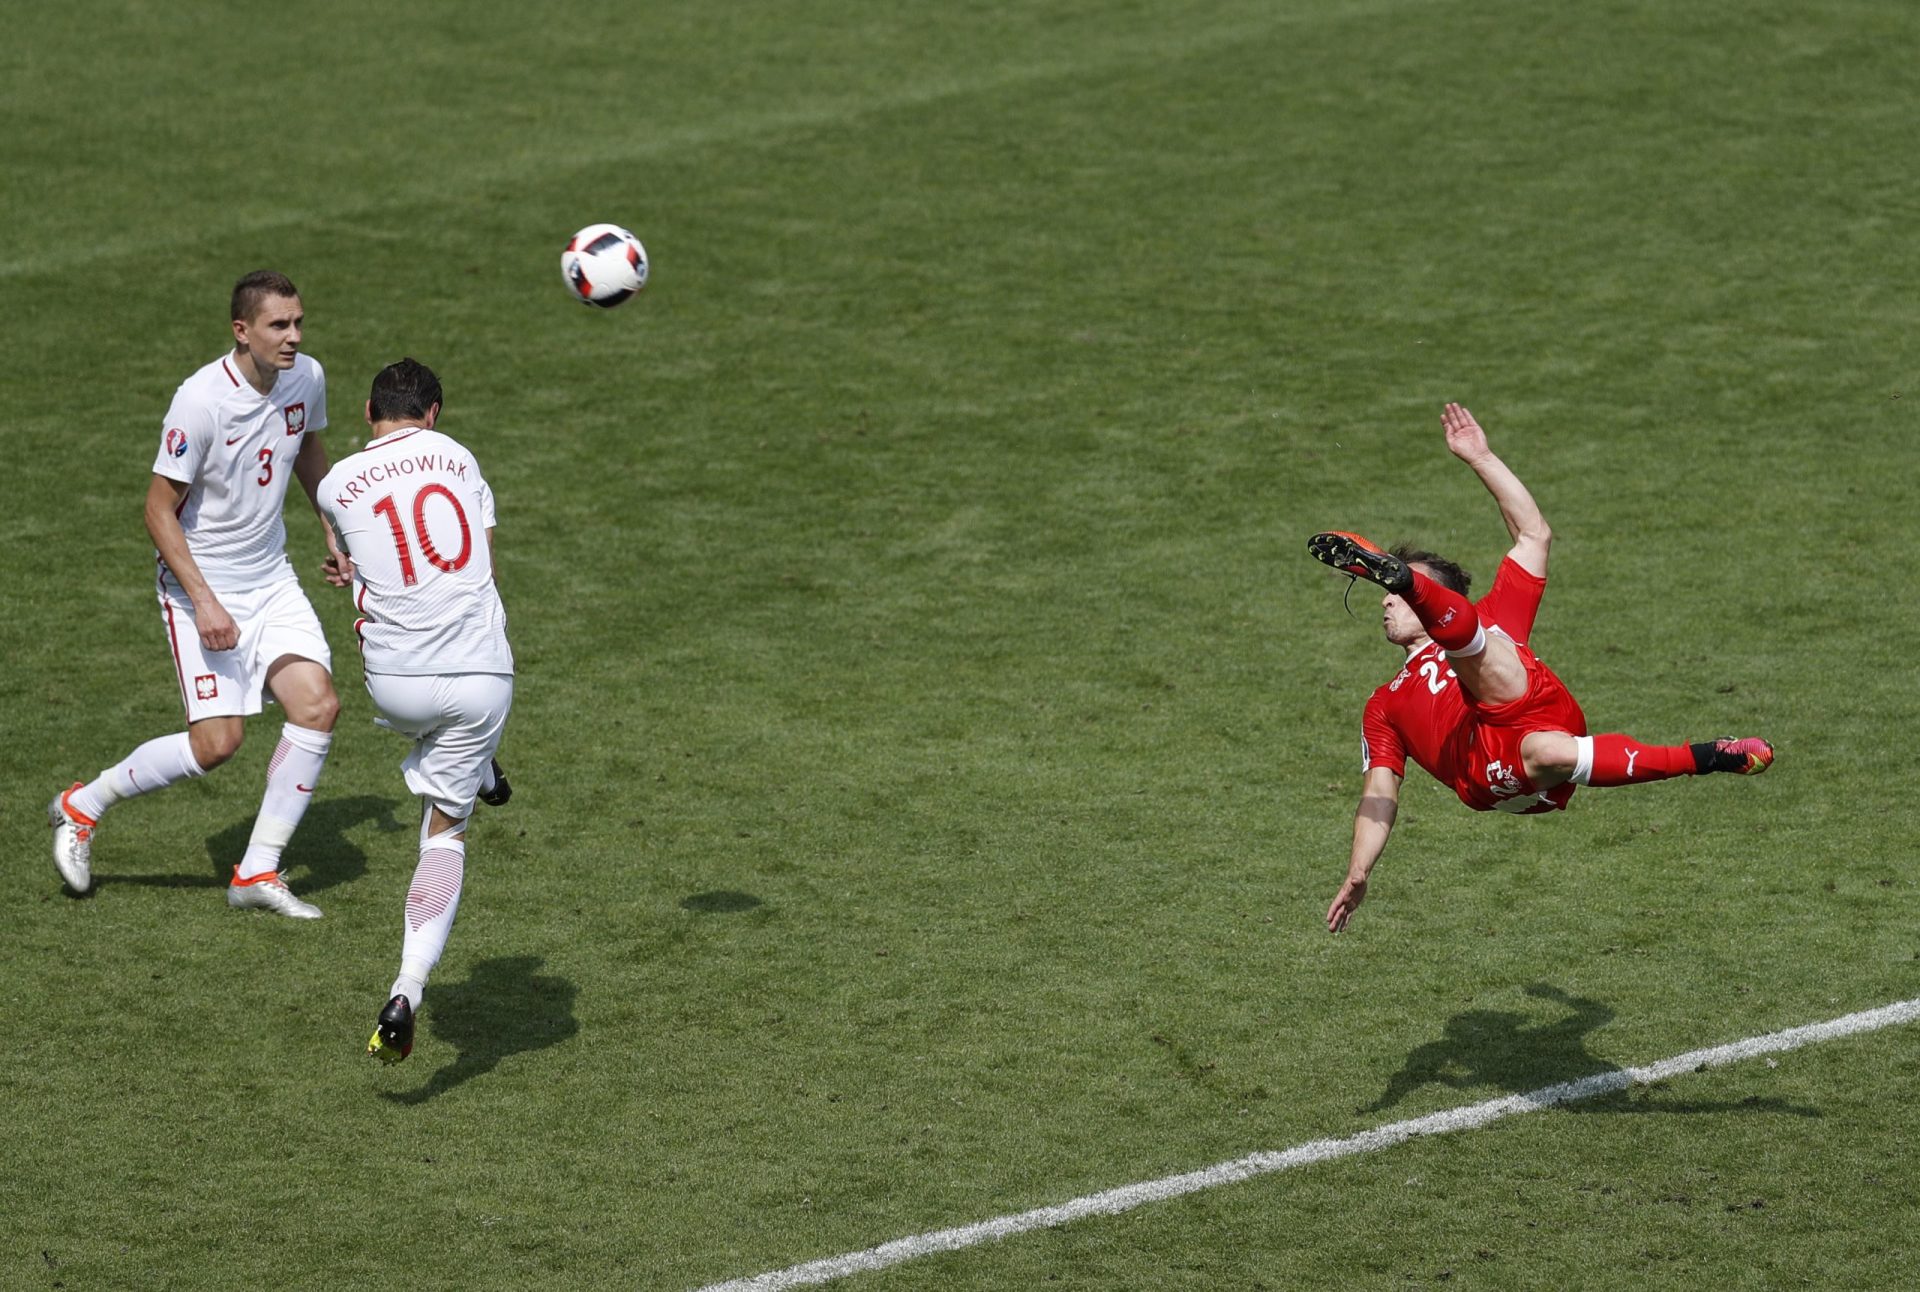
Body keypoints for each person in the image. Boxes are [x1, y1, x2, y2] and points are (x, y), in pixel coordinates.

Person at [1309, 403, 1774, 934]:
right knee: (1526, 723)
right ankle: (1709, 756)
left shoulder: (1489, 616)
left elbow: (1534, 536)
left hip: (1535, 710)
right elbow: (1379, 791)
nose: (1385, 603)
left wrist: (1480, 457)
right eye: (1392, 590)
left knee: (1509, 678)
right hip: (1485, 768)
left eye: (1400, 591)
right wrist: (1359, 869)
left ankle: (1714, 757)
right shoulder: (1384, 704)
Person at [49, 270, 352, 918]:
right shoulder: (201, 401)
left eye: (298, 323)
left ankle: (257, 871)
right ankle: (83, 804)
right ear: (242, 331)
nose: (293, 337)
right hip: (202, 587)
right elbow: (159, 511)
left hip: (271, 578)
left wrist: (333, 528)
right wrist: (206, 601)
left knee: (318, 706)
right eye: (278, 325)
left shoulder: (307, 377)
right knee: (218, 745)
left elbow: (306, 449)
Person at [316, 358, 514, 1063]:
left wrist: (349, 571)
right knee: (445, 832)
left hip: (394, 683)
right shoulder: (459, 457)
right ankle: (407, 987)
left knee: (436, 724)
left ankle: (478, 762)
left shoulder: (337, 482)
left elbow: (350, 563)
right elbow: (481, 562)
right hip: (481, 675)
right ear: (434, 414)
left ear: (370, 412)